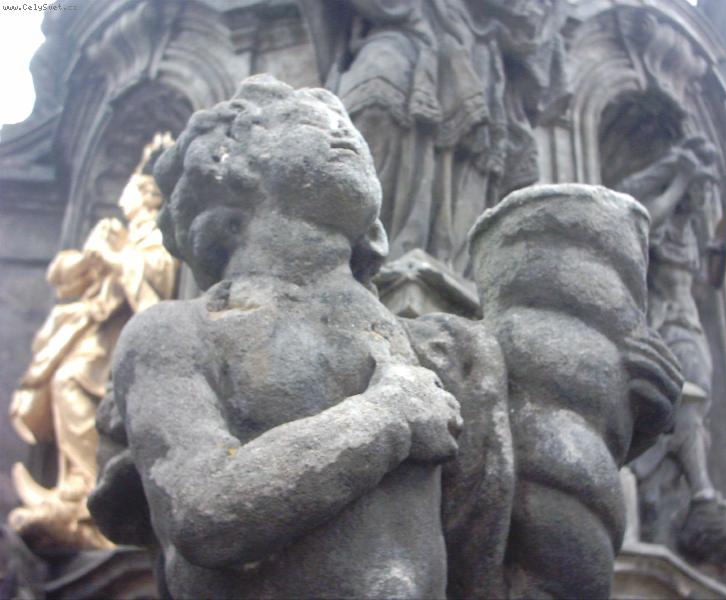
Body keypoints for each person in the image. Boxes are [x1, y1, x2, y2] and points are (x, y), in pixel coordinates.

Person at [89, 76, 462, 599]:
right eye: (312, 121)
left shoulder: (437, 349)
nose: (347, 135)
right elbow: (204, 512)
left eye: (349, 126)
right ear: (230, 161)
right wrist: (388, 418)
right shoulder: (175, 332)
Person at [301, 0, 568, 274]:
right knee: (372, 111)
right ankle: (361, 256)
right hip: (393, 27)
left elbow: (532, 21)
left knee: (462, 150)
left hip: (472, 40)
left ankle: (435, 262)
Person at [8, 135, 177, 549]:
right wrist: (92, 258)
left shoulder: (156, 233)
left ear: (146, 196)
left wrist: (117, 260)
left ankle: (89, 492)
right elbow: (64, 278)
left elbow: (158, 277)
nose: (124, 198)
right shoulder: (119, 233)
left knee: (70, 382)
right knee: (62, 382)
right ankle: (76, 486)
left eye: (131, 191)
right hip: (93, 332)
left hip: (122, 338)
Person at [617, 135, 726, 572]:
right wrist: (679, 176)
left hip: (692, 329)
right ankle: (699, 494)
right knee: (684, 405)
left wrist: (700, 192)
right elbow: (635, 217)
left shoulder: (692, 234)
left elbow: (715, 257)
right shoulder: (656, 220)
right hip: (665, 325)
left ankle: (679, 495)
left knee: (693, 411)